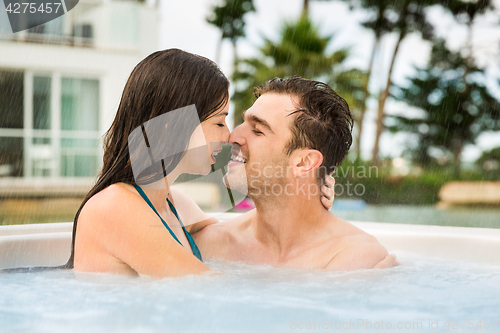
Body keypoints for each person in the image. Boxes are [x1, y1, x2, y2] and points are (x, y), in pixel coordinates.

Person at [67, 49, 339, 278]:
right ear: (174, 125)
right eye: (219, 122)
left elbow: (241, 233)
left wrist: (306, 188)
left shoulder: (174, 205)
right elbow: (210, 293)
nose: (229, 136)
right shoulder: (116, 208)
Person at [192, 76, 393, 271]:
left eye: (257, 130)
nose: (232, 136)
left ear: (304, 162)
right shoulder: (210, 244)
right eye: (243, 122)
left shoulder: (355, 259)